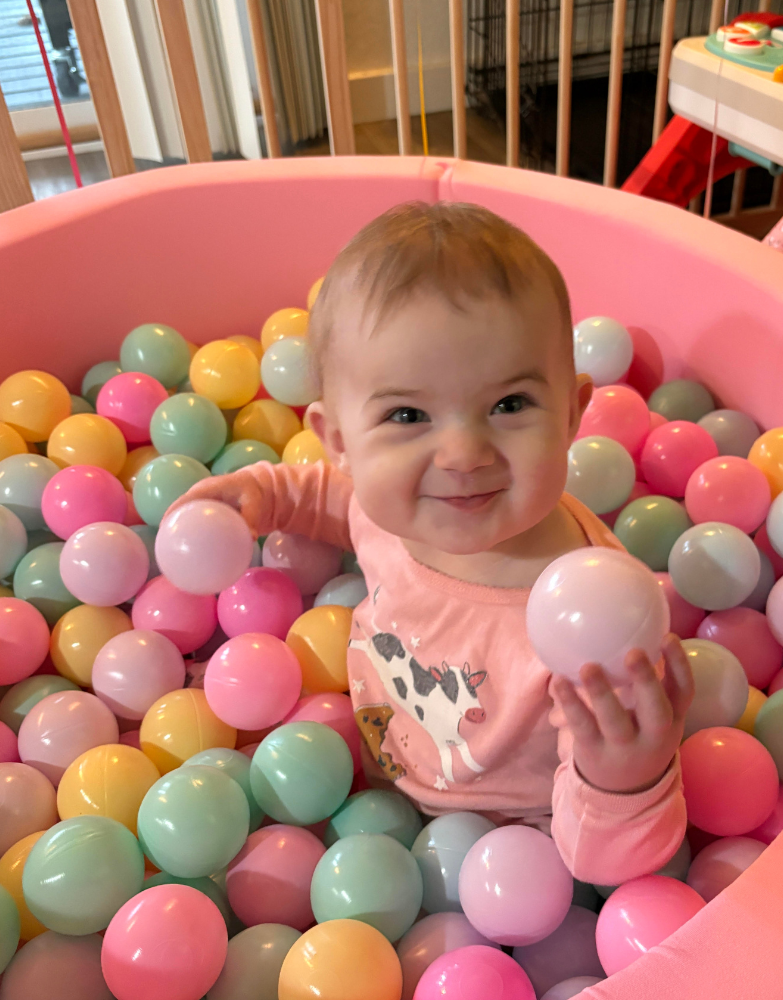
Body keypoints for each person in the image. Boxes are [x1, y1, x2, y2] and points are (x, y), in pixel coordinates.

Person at [174, 202, 692, 884]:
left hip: (512, 853)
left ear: (571, 411)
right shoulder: (390, 507)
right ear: (340, 443)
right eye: (407, 415)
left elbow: (603, 860)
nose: (462, 453)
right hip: (363, 766)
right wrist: (266, 495)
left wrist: (627, 779)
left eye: (508, 405)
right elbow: (338, 503)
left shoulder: (591, 626)